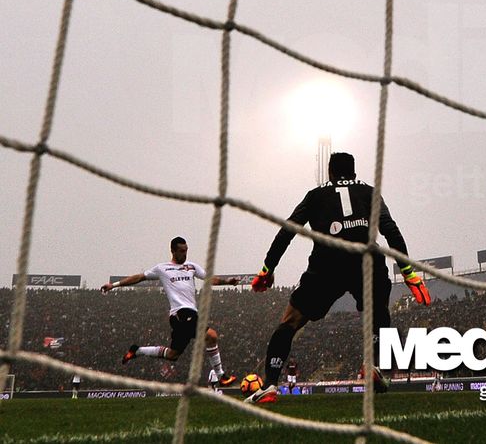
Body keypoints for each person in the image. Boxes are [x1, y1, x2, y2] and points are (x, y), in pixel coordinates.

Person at [245, 152, 431, 404]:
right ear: (354, 173)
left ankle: (269, 385)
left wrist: (267, 269)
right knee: (378, 312)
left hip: (327, 263)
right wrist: (408, 272)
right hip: (366, 259)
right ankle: (372, 365)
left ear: (330, 172)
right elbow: (390, 230)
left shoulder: (315, 195)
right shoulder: (369, 192)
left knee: (290, 321)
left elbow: (287, 231)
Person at [101, 237, 240, 386]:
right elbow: (140, 277)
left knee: (173, 355)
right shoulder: (162, 268)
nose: (185, 254)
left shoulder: (192, 266)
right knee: (211, 335)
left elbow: (210, 279)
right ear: (173, 251)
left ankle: (137, 351)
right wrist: (114, 285)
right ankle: (221, 376)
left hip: (190, 314)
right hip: (180, 313)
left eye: (186, 250)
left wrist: (228, 282)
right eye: (181, 251)